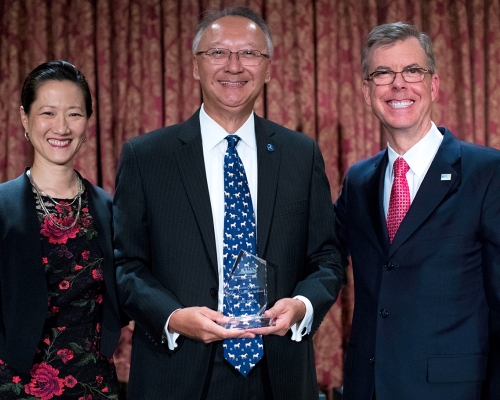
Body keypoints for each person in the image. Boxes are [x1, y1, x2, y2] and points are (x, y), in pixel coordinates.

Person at [113, 5, 346, 400]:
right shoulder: (147, 157)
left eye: (250, 53)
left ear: (268, 69)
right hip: (178, 371)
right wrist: (173, 317)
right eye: (218, 52)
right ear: (195, 66)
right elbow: (125, 265)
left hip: (279, 372)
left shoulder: (300, 154)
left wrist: (303, 305)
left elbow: (327, 257)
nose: (234, 66)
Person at [334, 22, 500, 399]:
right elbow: (319, 251)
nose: (398, 84)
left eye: (413, 71)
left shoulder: (487, 173)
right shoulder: (359, 181)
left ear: (433, 85)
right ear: (365, 91)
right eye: (382, 73)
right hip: (367, 388)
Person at [0, 61, 123, 399]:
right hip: (13, 384)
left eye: (74, 114)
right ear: (25, 119)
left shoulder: (109, 209)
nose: (62, 128)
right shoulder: (2, 206)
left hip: (94, 384)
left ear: (87, 122)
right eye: (48, 113)